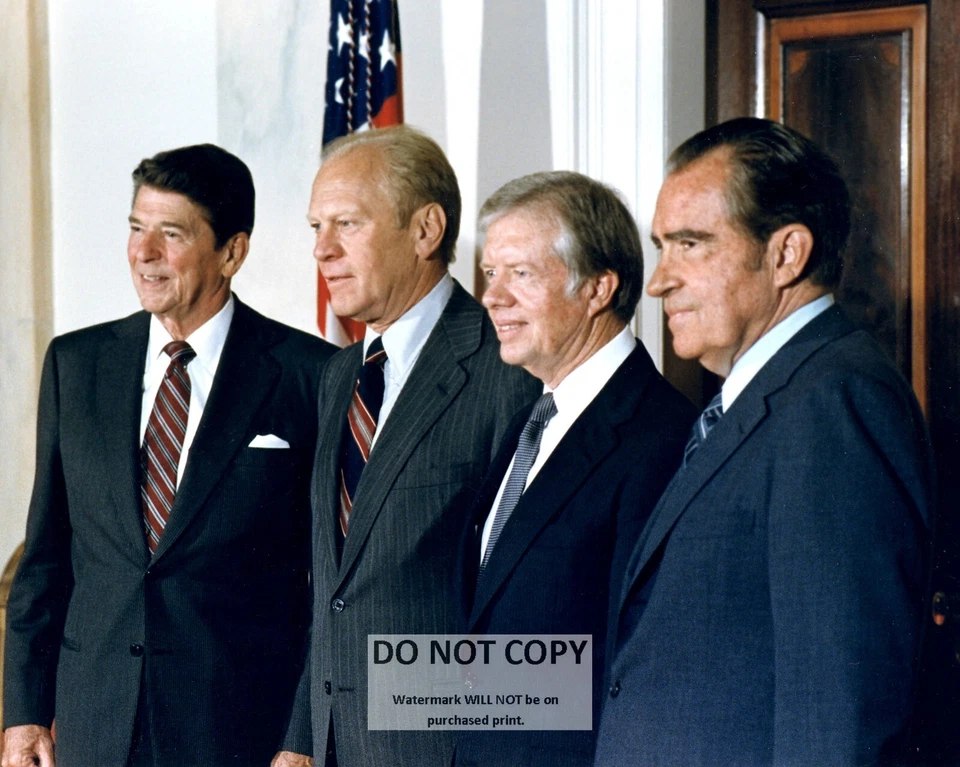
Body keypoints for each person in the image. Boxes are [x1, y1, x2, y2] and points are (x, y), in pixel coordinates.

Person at [595, 117, 935, 766]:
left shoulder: (834, 402)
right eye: (662, 246)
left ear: (787, 255)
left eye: (690, 244)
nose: (659, 280)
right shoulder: (766, 397)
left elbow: (839, 715)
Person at [2, 144, 336, 767]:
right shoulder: (76, 364)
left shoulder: (311, 374)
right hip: (95, 727)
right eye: (136, 228)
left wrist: (302, 737)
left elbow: (329, 588)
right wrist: (23, 714)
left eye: (171, 234)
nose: (143, 252)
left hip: (238, 731)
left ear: (232, 252)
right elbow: (45, 559)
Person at [275, 126, 540, 767]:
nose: (322, 249)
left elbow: (529, 614)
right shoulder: (340, 374)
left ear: (425, 230)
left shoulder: (509, 366)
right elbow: (335, 589)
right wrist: (303, 739)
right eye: (316, 227)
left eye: (347, 224)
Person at [452, 172, 695, 767]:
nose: (492, 297)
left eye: (520, 274)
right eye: (490, 273)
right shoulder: (531, 418)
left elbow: (636, 669)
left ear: (598, 289)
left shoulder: (661, 437)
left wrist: (398, 691)